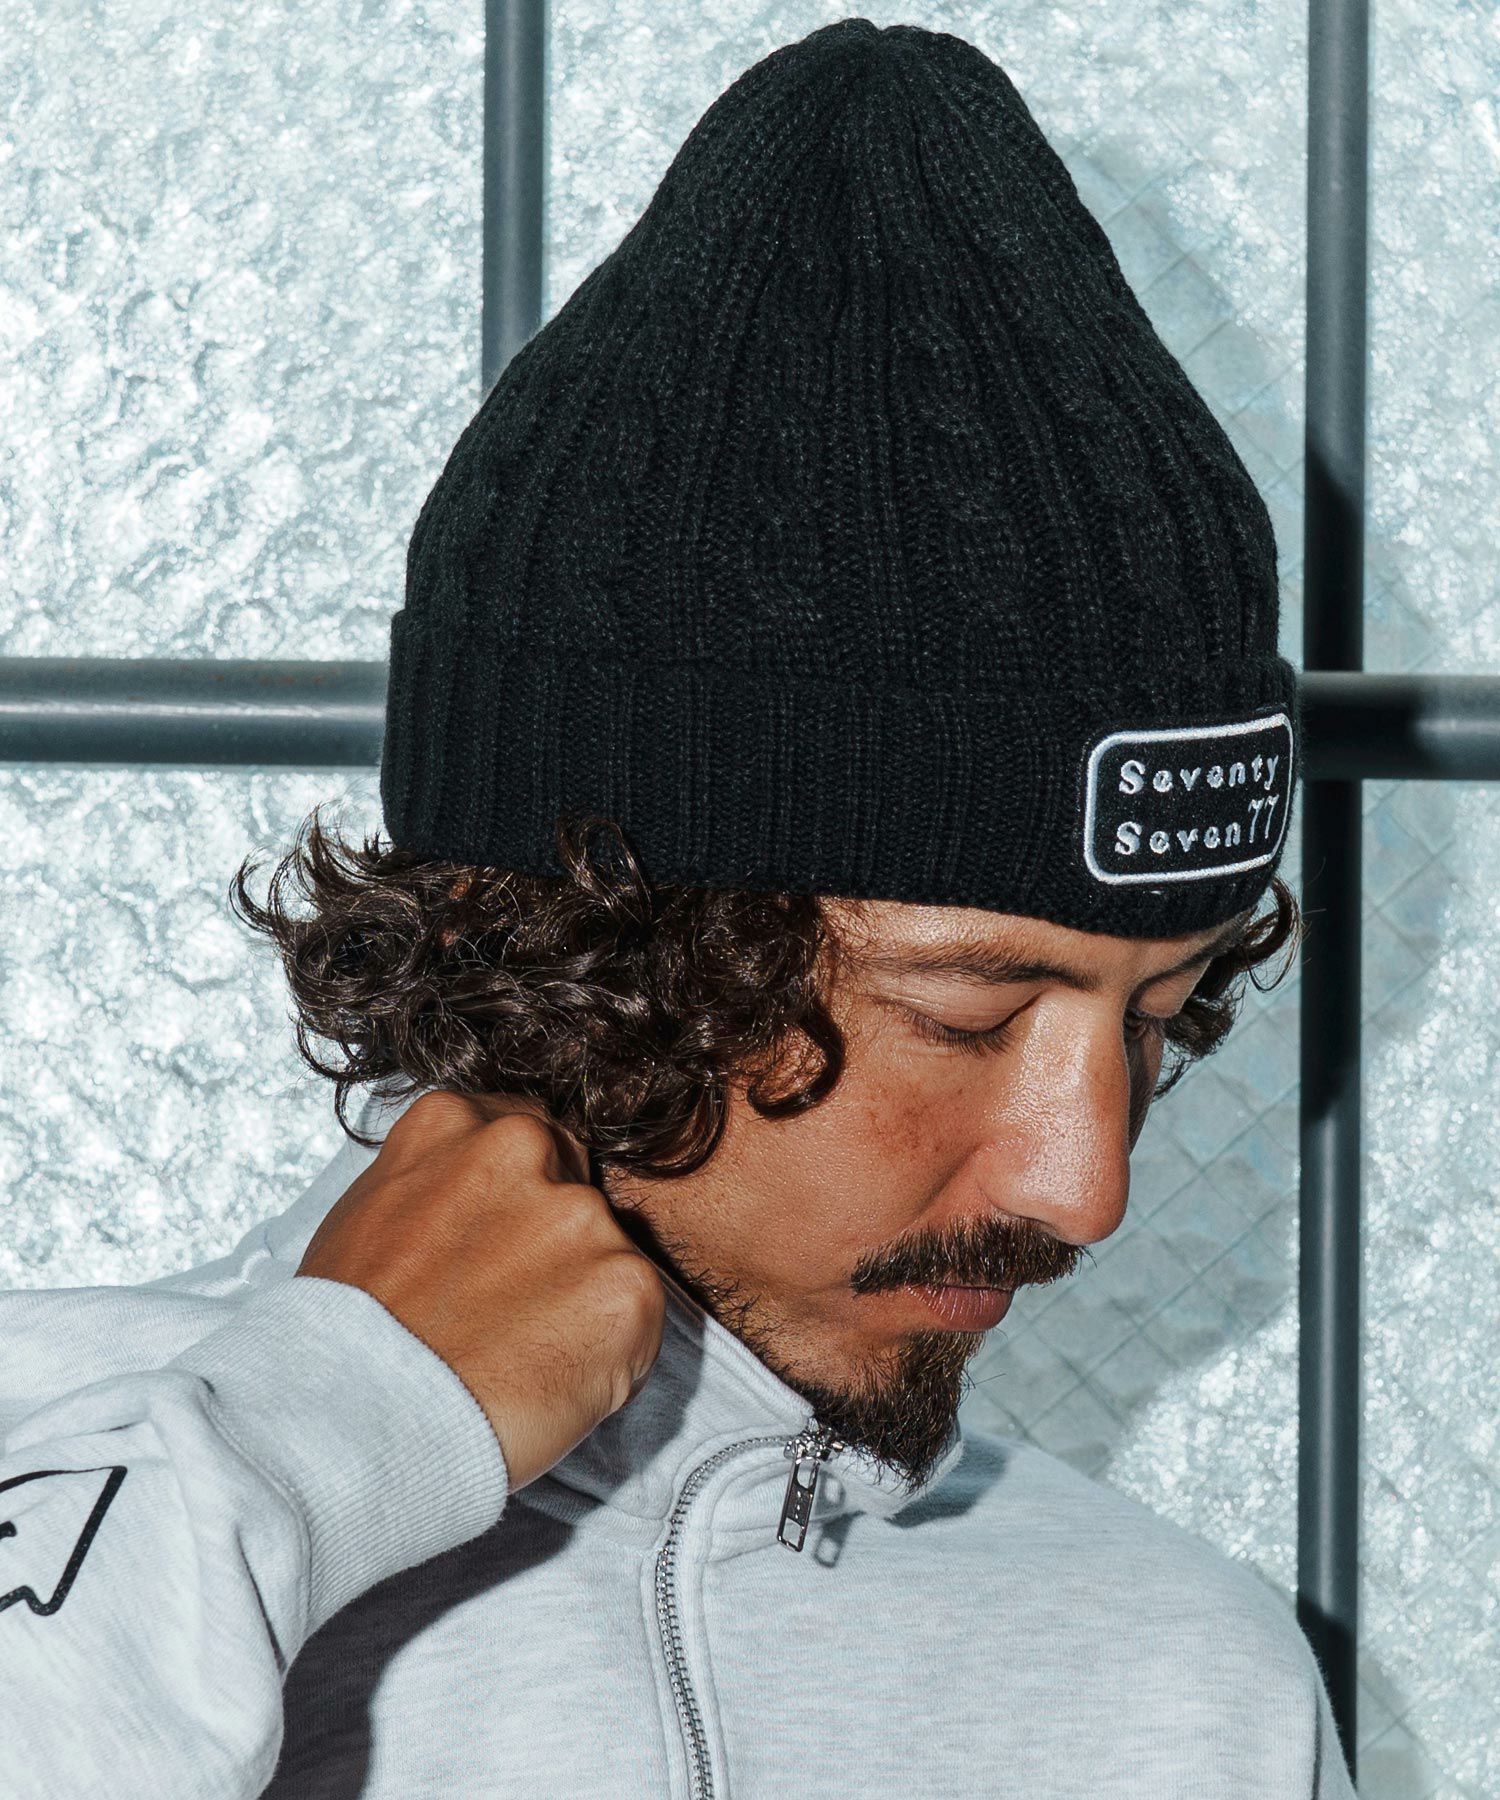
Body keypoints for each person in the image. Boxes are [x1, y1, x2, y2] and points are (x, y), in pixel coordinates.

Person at [0, 17, 1353, 1798]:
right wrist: (315, 1442)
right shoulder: (69, 1473)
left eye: (1158, 1017)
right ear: (573, 940)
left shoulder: (1185, 1691)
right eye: (965, 1016)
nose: (1082, 1185)